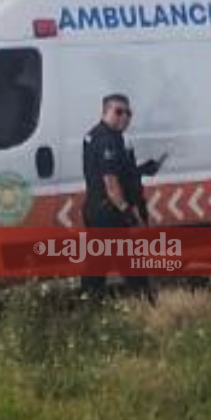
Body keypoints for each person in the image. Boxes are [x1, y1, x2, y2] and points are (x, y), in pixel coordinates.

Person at [81, 93, 162, 298]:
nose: (124, 116)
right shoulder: (107, 140)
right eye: (118, 111)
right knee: (114, 263)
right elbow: (110, 182)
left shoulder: (104, 136)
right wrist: (128, 212)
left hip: (100, 210)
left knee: (104, 264)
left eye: (128, 113)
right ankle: (145, 302)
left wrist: (143, 169)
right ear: (105, 111)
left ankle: (90, 307)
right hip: (109, 212)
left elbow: (120, 172)